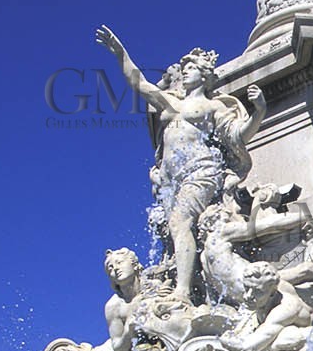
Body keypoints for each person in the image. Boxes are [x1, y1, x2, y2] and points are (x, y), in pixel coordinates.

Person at [96, 25, 266, 303]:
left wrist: (260, 111)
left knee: (178, 223)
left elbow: (238, 136)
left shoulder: (213, 107)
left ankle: (183, 293)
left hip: (201, 172)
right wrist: (119, 52)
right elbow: (140, 84)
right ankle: (198, 288)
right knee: (177, 231)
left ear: (205, 75)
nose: (184, 71)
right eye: (184, 67)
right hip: (173, 179)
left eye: (191, 68)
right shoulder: (170, 102)